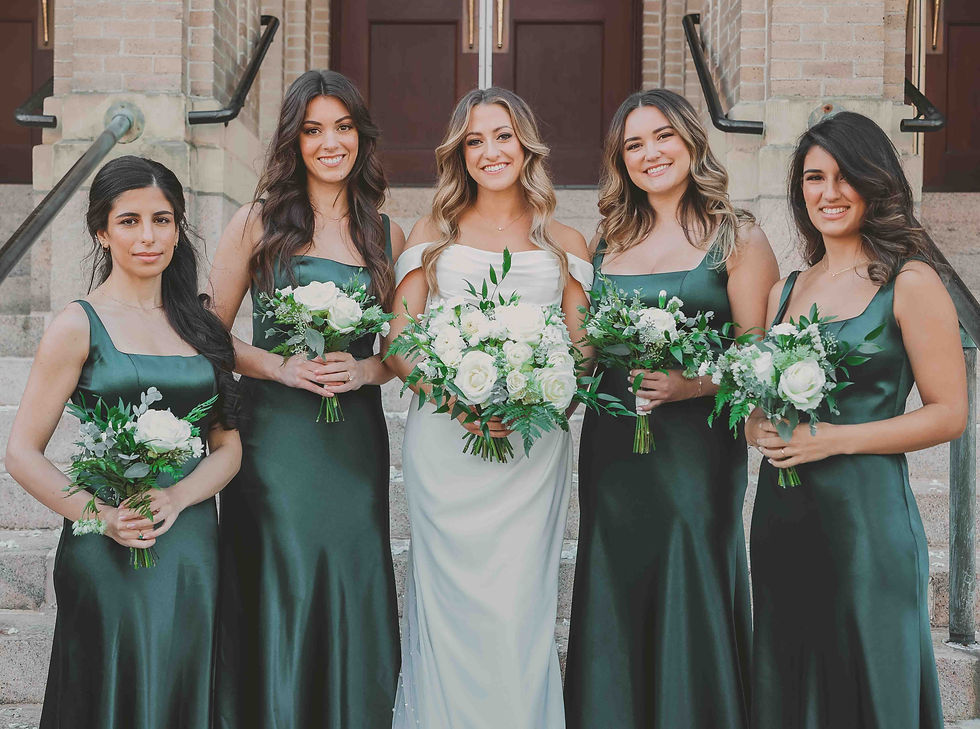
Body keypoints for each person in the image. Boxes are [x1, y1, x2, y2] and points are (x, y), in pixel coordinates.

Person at [564, 88, 778, 729]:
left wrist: (693, 384)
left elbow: (758, 354)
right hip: (613, 447)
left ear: (690, 142)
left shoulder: (737, 234)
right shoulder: (607, 236)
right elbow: (584, 345)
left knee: (689, 571)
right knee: (613, 572)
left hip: (695, 452)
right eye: (633, 144)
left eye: (662, 137)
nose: (650, 153)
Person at [5, 155, 242, 729]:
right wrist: (101, 516)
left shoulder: (202, 325)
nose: (148, 236)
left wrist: (180, 498)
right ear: (101, 232)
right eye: (130, 221)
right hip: (104, 543)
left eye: (162, 220)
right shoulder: (78, 323)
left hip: (188, 545)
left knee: (180, 684)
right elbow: (20, 452)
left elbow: (228, 448)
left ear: (178, 228)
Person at [748, 111, 966, 729]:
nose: (829, 193)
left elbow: (949, 413)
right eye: (814, 178)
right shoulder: (784, 290)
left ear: (877, 183)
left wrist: (836, 440)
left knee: (870, 680)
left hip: (867, 522)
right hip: (784, 518)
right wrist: (757, 429)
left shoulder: (912, 281)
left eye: (846, 177)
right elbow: (759, 410)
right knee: (790, 675)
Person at [385, 87, 593, 729]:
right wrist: (457, 398)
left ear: (525, 143)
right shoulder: (431, 233)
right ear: (459, 154)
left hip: (531, 446)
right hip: (447, 444)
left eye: (502, 135)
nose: (490, 151)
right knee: (450, 603)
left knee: (517, 605)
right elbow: (398, 344)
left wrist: (537, 388)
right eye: (475, 140)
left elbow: (583, 351)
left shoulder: (565, 239)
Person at [207, 70, 402, 728]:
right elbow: (205, 332)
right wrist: (279, 367)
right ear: (293, 139)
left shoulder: (386, 233)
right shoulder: (255, 223)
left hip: (352, 445)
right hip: (276, 443)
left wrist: (368, 370)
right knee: (281, 580)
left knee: (349, 576)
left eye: (343, 127)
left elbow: (399, 354)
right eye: (313, 129)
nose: (330, 142)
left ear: (361, 136)